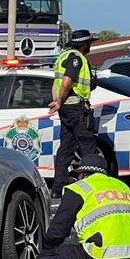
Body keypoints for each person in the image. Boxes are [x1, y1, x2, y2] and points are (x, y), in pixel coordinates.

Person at [48, 29, 101, 197]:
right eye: (90, 43)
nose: (91, 46)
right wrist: (60, 102)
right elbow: (66, 81)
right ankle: (95, 185)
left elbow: (55, 83)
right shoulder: (76, 58)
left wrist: (57, 102)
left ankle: (58, 186)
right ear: (84, 44)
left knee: (67, 147)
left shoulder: (62, 56)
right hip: (76, 108)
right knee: (88, 146)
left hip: (66, 110)